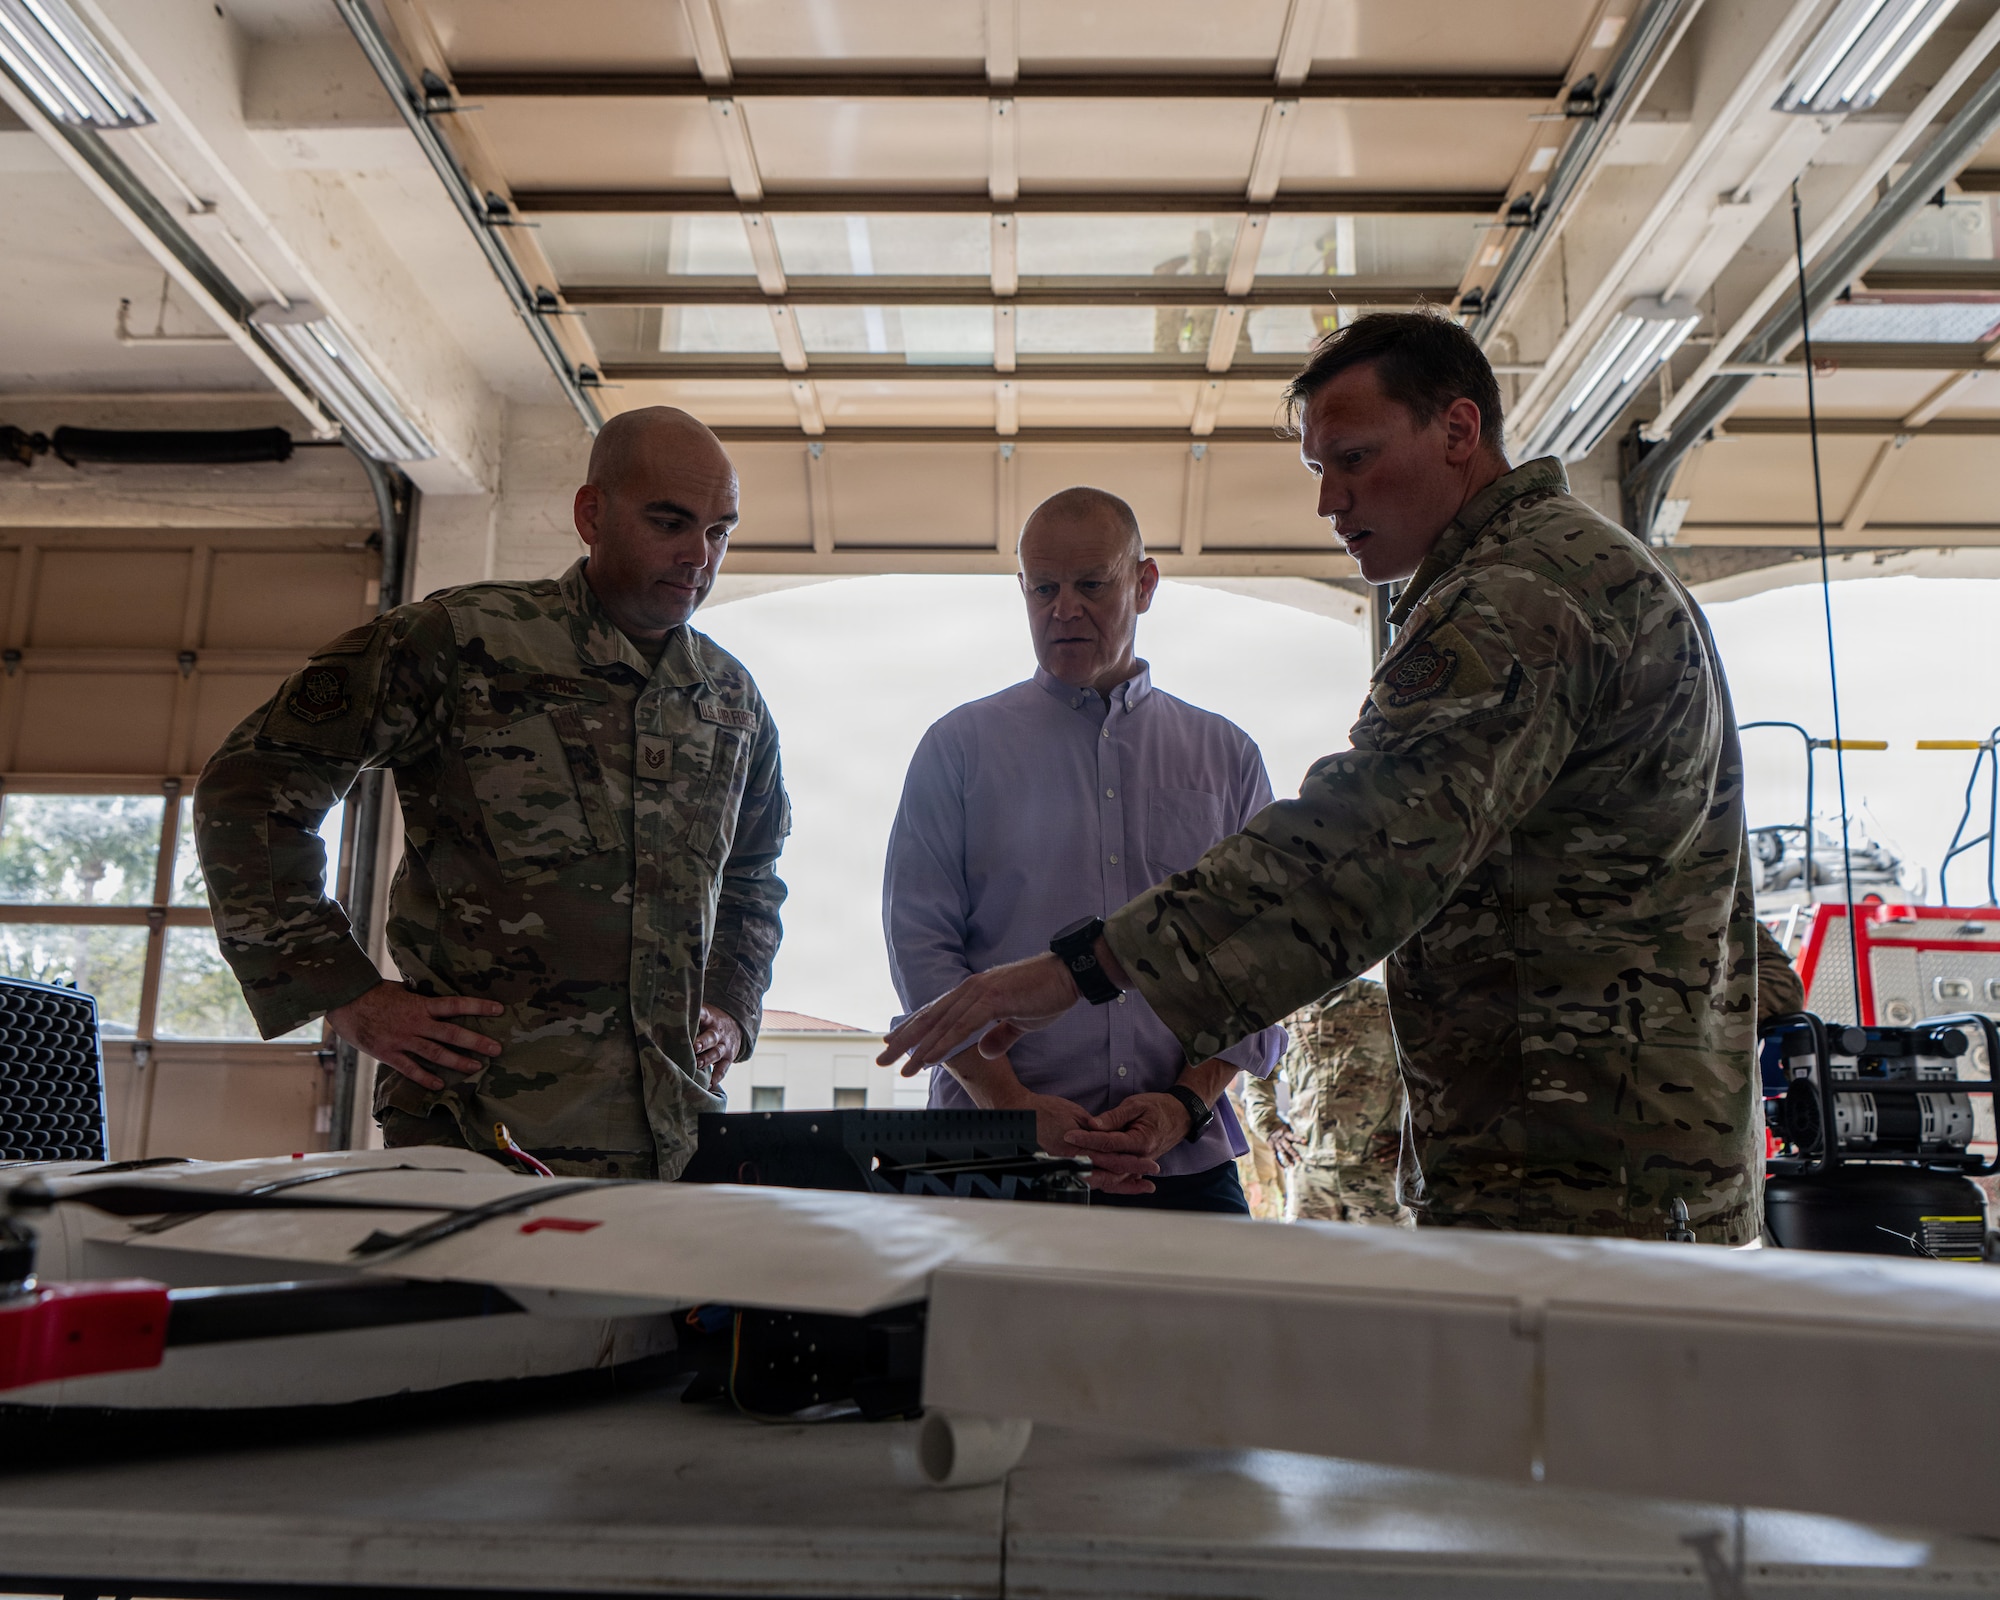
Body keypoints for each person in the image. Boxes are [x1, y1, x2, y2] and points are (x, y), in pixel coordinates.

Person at [879, 310, 1761, 1244]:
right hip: (1600, 1151)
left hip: (1576, 1171)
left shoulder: (1514, 599)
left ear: (1458, 432)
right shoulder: (1566, 571)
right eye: (1318, 470)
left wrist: (1088, 968)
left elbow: (1355, 853)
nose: (1329, 501)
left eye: (1353, 458)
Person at [196, 406, 789, 1179]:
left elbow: (751, 876)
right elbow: (249, 791)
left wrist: (732, 1007)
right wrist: (342, 989)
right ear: (592, 514)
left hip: (674, 1142)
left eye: (720, 531)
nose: (698, 557)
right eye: (671, 522)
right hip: (478, 1132)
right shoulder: (459, 644)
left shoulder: (731, 700)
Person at [881, 486, 1285, 1213]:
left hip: (1181, 1159)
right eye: (1043, 588)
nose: (1063, 609)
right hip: (992, 1154)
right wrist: (1011, 1102)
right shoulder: (957, 750)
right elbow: (921, 951)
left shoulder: (1227, 758)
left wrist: (1183, 1105)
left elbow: (1263, 960)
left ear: (1145, 583)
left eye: (1091, 584)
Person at [1244, 979, 1412, 1226]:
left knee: (1384, 1261)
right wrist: (1271, 1129)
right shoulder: (1284, 1009)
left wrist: (1411, 1139)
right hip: (1308, 1169)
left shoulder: (1383, 1002)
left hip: (1376, 1168)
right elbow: (1256, 1073)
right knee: (1308, 1260)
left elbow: (1421, 1072)